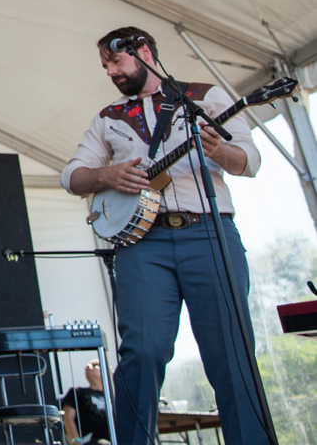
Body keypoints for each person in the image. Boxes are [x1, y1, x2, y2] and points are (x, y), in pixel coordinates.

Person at [62, 27, 264, 445]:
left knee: (230, 350)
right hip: (142, 244)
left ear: (144, 53)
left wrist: (219, 151)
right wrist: (107, 174)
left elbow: (249, 160)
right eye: (105, 66)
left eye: (116, 62)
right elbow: (72, 175)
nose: (111, 72)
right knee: (141, 352)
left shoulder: (205, 97)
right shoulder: (108, 118)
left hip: (209, 232)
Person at [60, 361, 111, 444]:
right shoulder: (77, 392)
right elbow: (68, 417)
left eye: (95, 365)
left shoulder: (111, 395)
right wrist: (75, 439)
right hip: (90, 438)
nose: (88, 366)